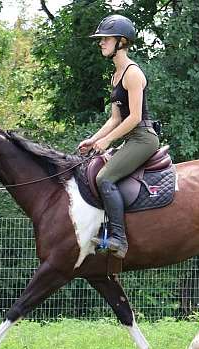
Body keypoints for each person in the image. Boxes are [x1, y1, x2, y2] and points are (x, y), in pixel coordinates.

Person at [78, 14, 160, 259]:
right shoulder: (115, 76)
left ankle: (119, 240)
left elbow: (134, 117)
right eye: (101, 40)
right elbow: (115, 118)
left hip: (144, 138)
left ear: (121, 42)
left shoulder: (133, 73)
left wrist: (108, 141)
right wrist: (94, 139)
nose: (101, 43)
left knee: (104, 178)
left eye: (106, 39)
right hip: (130, 138)